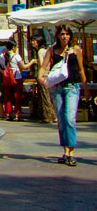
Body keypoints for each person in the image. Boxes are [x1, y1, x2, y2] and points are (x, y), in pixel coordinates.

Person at [39, 24, 90, 166]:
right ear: (58, 36)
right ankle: (65, 151)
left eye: (67, 34)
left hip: (72, 87)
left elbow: (80, 69)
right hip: (57, 88)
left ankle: (72, 151)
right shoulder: (52, 50)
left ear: (70, 35)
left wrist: (85, 87)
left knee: (69, 118)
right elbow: (43, 67)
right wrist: (40, 78)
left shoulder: (76, 50)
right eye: (62, 34)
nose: (64, 36)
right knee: (61, 120)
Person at [0, 42, 24, 121]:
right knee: (17, 96)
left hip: (6, 78)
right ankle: (17, 115)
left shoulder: (3, 55)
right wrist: (32, 62)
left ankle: (8, 114)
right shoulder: (16, 56)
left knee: (7, 97)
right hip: (16, 78)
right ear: (14, 47)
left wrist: (2, 71)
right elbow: (24, 67)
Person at [27, 35, 57, 123]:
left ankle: (47, 116)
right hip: (48, 75)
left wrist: (39, 74)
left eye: (34, 41)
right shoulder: (46, 50)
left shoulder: (40, 52)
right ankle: (53, 115)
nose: (32, 42)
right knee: (49, 96)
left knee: (44, 96)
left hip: (43, 76)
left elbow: (41, 64)